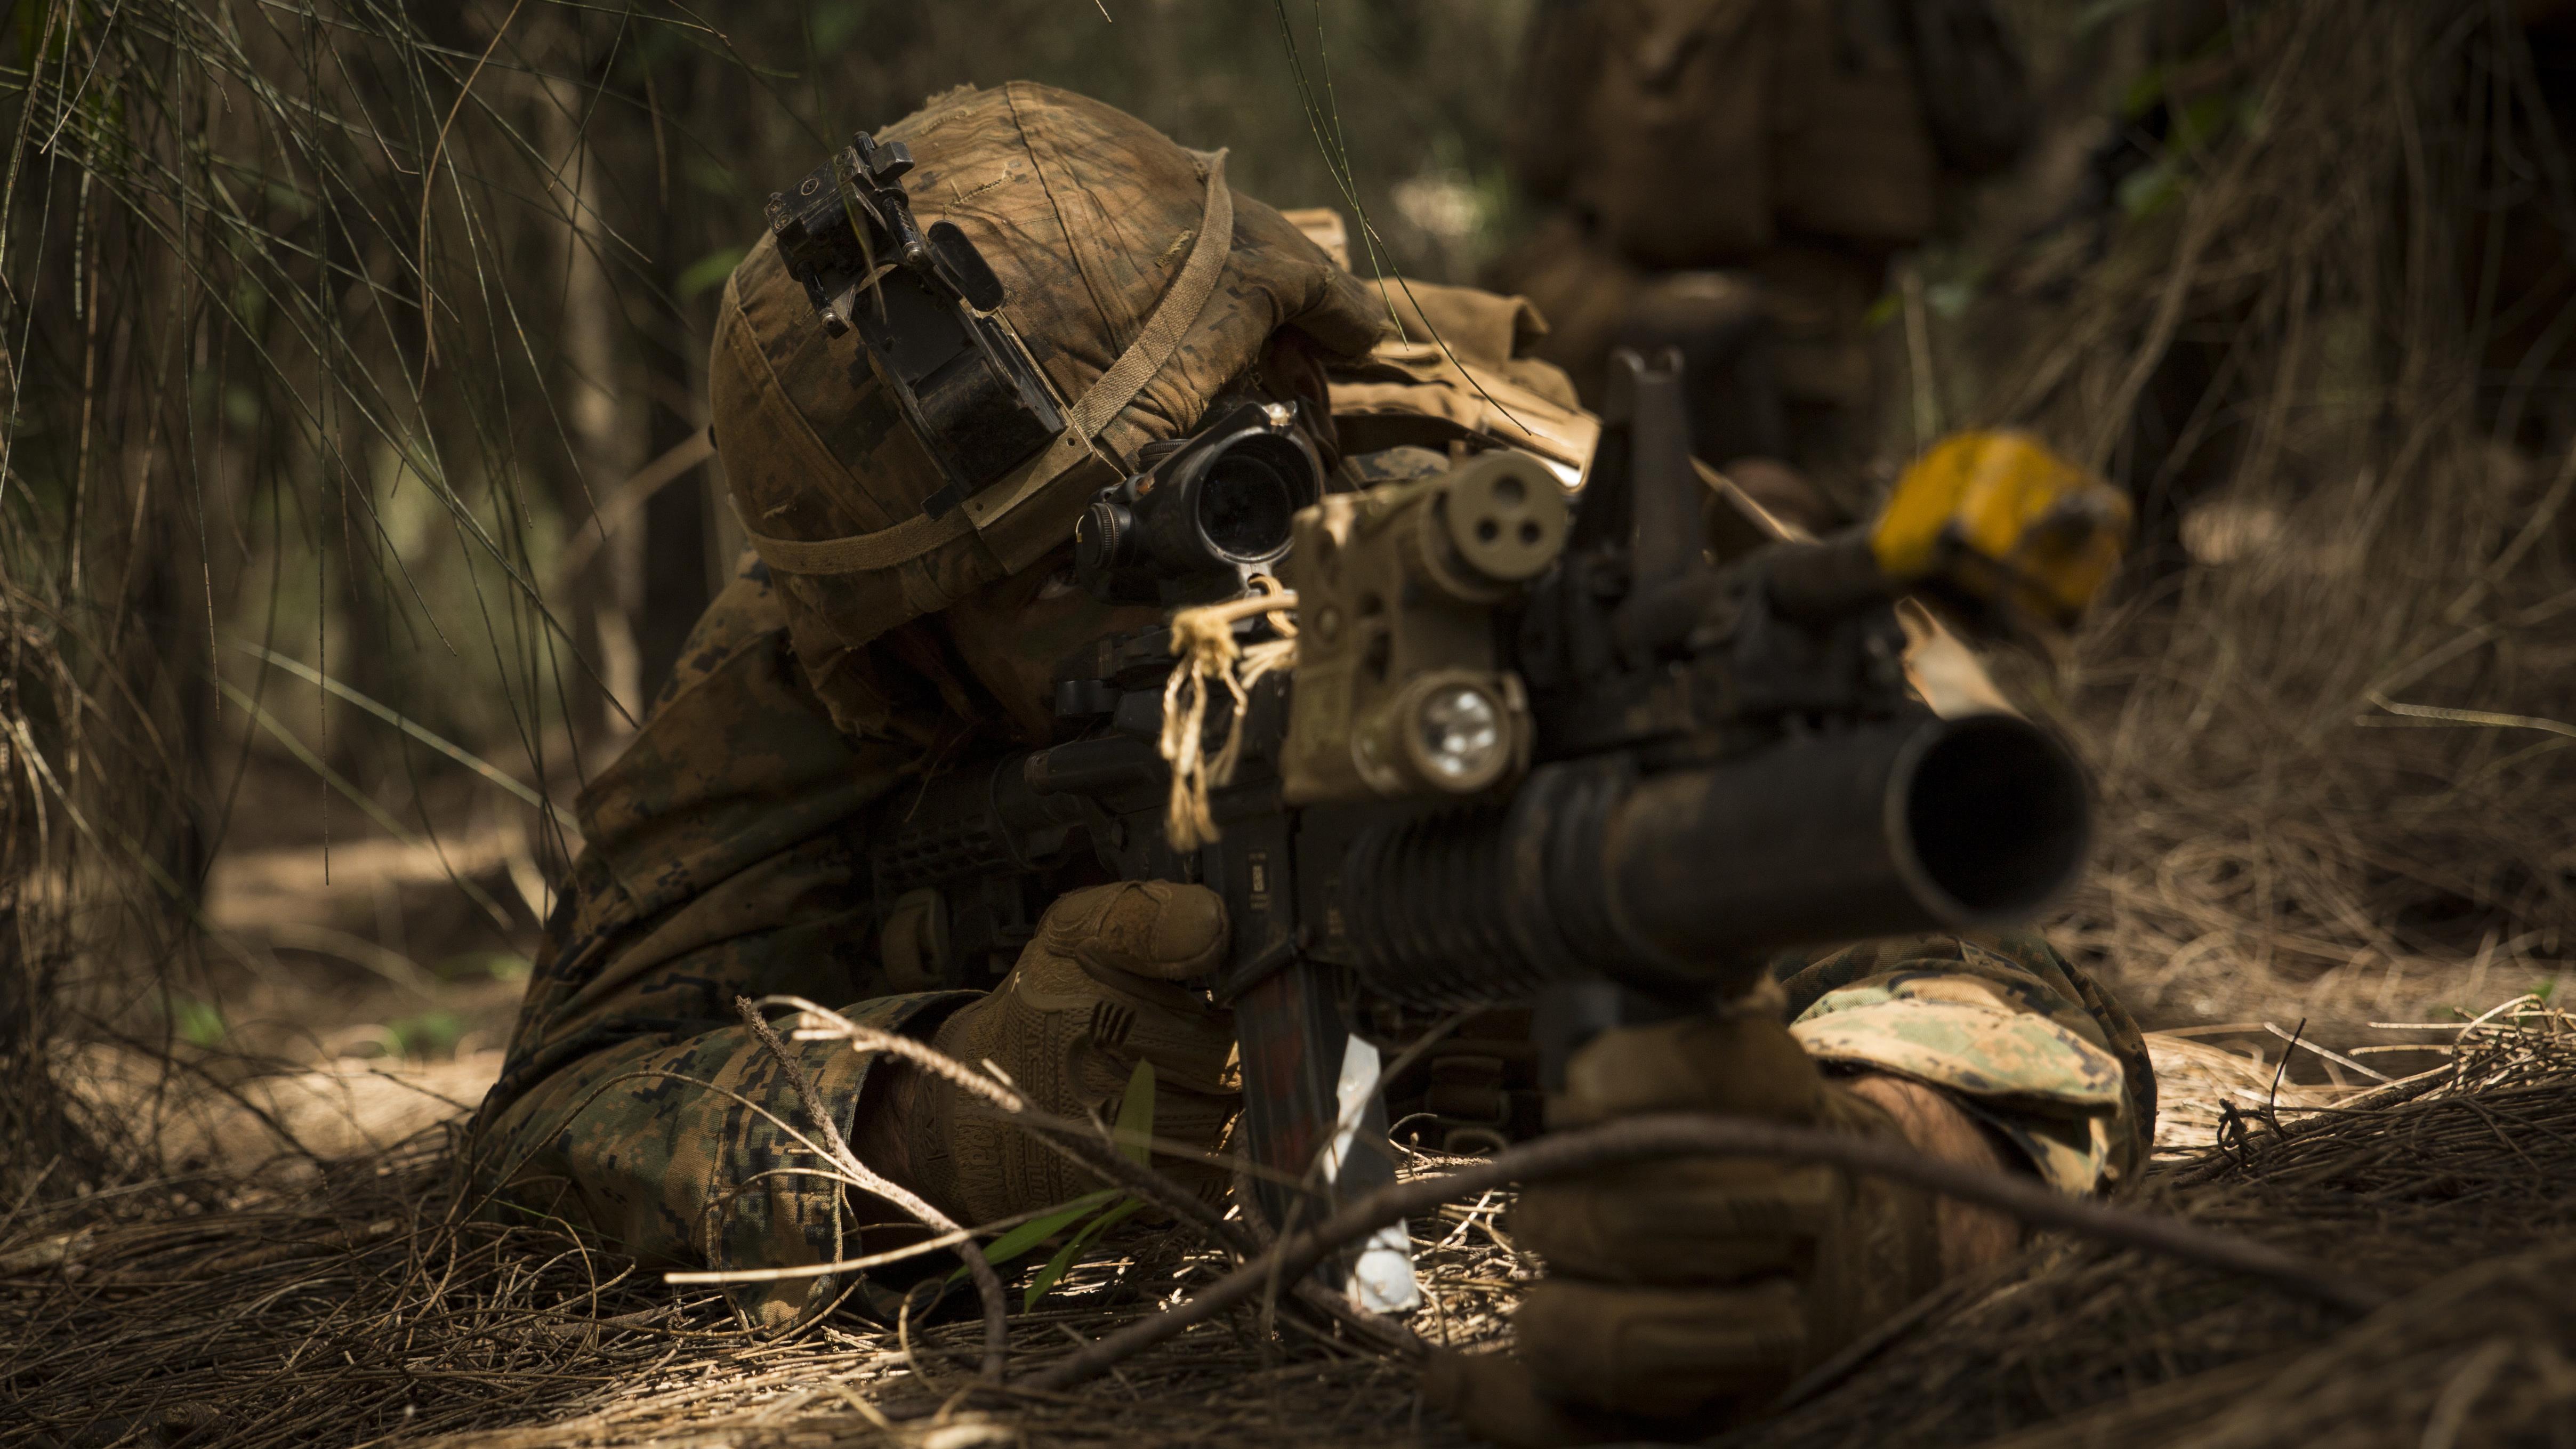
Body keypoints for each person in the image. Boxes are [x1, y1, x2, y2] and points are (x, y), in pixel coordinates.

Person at [466, 81, 2151, 1446]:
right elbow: (542, 1131)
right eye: (1052, 574)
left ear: (1292, 361)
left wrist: (1873, 1213)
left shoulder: (1510, 499)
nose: (1199, 591)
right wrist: (943, 1121)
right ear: (913, 638)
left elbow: (1976, 959)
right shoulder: (808, 670)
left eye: (1234, 462)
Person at [1488, 0, 2034, 532]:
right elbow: (1989, 127)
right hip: (1814, 322)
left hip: (1612, 316)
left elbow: (1539, 154)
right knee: (1800, 538)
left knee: (1606, 533)